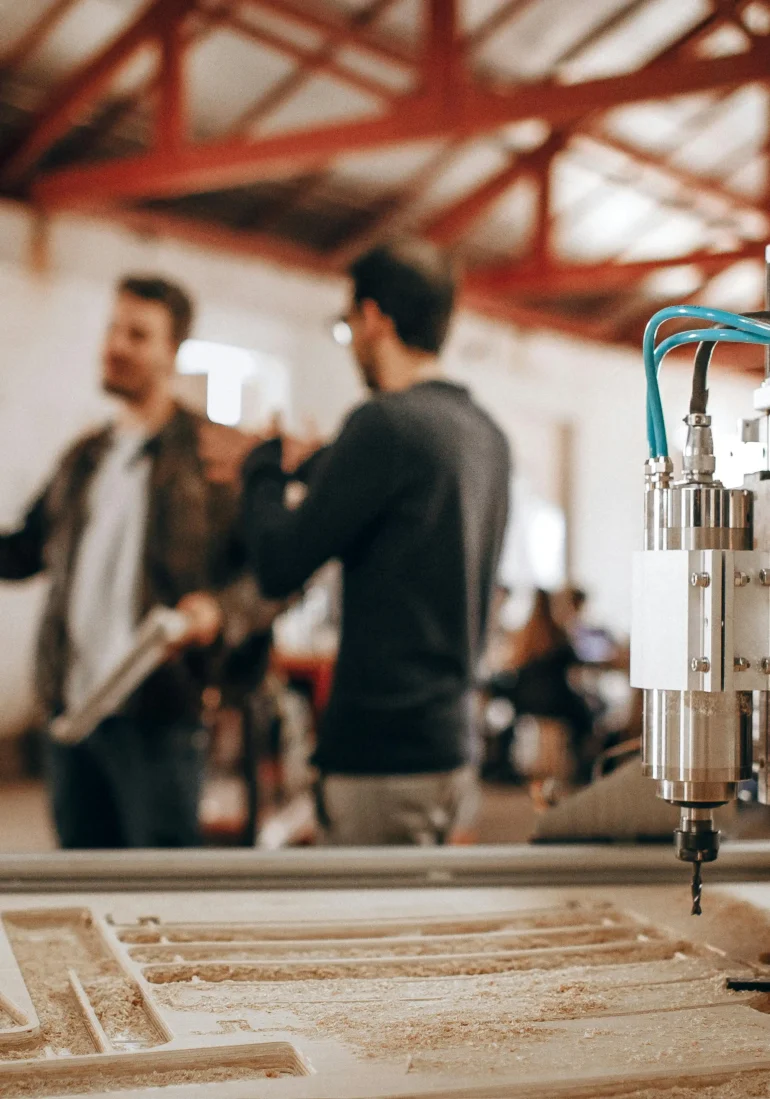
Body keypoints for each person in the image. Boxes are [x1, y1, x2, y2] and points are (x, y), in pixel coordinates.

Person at [199, 241, 511, 845]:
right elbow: (394, 497)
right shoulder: (484, 436)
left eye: (348, 327)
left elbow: (279, 565)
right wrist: (312, 463)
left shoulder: (384, 422)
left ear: (373, 319)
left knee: (372, 907)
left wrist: (262, 470)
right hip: (451, 747)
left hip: (381, 754)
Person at [0, 276, 276, 848]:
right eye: (112, 329)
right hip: (71, 714)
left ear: (172, 350)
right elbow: (24, 551)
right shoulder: (85, 458)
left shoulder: (212, 456)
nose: (115, 346)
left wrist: (219, 612)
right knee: (80, 880)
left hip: (160, 717)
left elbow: (271, 575)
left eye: (138, 334)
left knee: (158, 886)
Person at [488, 589, 593, 777]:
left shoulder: (523, 635)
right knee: (587, 716)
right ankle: (582, 764)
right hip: (555, 701)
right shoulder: (560, 633)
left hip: (525, 700)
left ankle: (501, 762)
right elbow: (575, 668)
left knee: (505, 709)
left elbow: (511, 667)